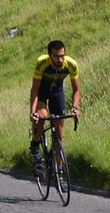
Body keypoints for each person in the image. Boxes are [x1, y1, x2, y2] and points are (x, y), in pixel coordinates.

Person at [29, 38, 80, 167]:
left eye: (62, 56)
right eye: (56, 56)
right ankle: (35, 146)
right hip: (42, 92)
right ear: (50, 55)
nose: (60, 60)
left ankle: (60, 173)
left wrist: (74, 108)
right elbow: (35, 89)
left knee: (59, 135)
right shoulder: (42, 63)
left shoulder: (71, 64)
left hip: (57, 92)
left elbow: (76, 90)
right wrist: (32, 111)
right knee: (42, 116)